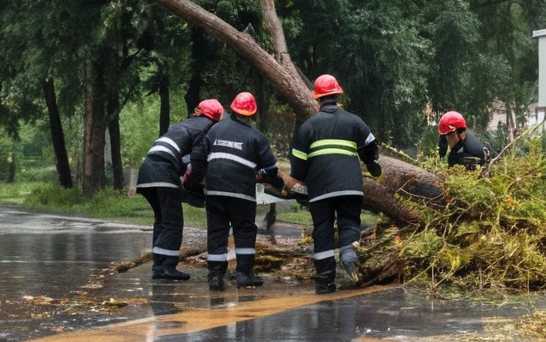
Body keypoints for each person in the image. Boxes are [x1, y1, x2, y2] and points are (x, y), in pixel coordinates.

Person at [289, 75, 381, 294]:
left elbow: (297, 161)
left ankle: (324, 280)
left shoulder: (307, 127)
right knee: (349, 222)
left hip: (320, 188)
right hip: (350, 184)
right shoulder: (354, 121)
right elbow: (370, 146)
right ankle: (349, 254)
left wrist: (301, 181)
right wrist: (372, 165)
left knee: (323, 230)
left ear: (317, 99)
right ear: (338, 95)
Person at [196, 92, 284, 291]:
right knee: (244, 230)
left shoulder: (215, 129)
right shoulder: (257, 137)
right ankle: (244, 274)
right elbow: (270, 170)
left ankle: (216, 276)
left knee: (217, 231)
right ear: (252, 115)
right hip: (241, 192)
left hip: (215, 190)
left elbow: (200, 156)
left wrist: (195, 183)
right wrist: (277, 182)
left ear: (233, 109)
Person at [137, 99, 223, 281]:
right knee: (173, 222)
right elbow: (198, 160)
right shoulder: (206, 129)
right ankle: (168, 267)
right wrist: (193, 185)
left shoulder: (182, 124)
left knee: (162, 220)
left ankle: (158, 266)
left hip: (146, 170)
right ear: (216, 118)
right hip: (163, 171)